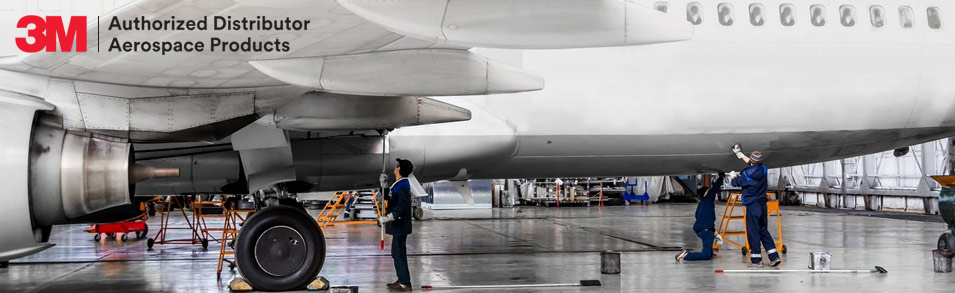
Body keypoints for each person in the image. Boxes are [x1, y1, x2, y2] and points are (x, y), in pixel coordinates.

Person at [729, 145, 781, 267]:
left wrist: (733, 176)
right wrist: (740, 154)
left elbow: (735, 183)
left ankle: (757, 260)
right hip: (762, 204)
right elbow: (752, 164)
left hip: (752, 206)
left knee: (753, 232)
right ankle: (774, 257)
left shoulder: (746, 174)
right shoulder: (763, 169)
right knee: (763, 230)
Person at [380, 158, 415, 291]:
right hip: (399, 225)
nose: (394, 168)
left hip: (400, 225)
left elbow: (401, 206)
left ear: (399, 169)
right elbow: (389, 197)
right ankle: (401, 280)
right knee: (396, 253)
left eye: (396, 166)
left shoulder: (402, 185)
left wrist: (388, 217)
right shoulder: (399, 184)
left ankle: (405, 283)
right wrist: (383, 185)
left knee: (399, 253)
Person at [676, 173, 725, 262]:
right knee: (706, 255)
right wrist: (721, 178)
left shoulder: (701, 203)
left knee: (708, 249)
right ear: (706, 193)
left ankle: (709, 252)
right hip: (706, 231)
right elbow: (715, 189)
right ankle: (686, 255)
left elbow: (697, 215)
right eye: (708, 191)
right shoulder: (708, 199)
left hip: (700, 229)